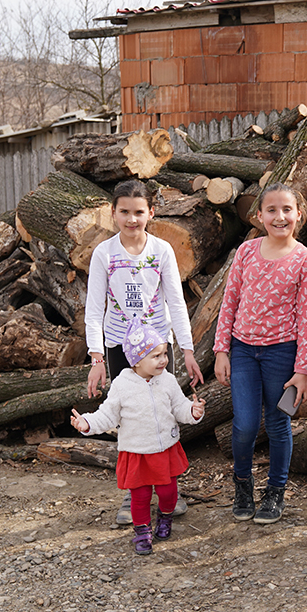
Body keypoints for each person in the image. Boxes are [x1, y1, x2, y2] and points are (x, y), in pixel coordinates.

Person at [85, 179, 203, 527]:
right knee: (129, 414)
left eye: (139, 212)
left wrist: (187, 349)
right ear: (113, 213)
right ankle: (133, 490)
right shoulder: (104, 254)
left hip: (157, 346)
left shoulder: (162, 251)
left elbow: (176, 302)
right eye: (124, 212)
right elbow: (94, 308)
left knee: (164, 411)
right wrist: (96, 358)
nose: (132, 219)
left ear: (151, 212)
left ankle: (168, 485)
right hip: (119, 345)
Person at [214, 183, 307, 525]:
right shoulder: (246, 252)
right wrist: (221, 350)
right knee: (245, 424)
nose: (279, 216)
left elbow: (306, 318)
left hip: (282, 353)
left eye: (287, 209)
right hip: (243, 350)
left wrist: (302, 370)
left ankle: (275, 491)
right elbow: (229, 301)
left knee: (277, 422)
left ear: (299, 215)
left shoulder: (305, 260)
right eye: (271, 210)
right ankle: (243, 484)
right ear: (259, 215)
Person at [70, 317, 206, 555]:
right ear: (137, 360)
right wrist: (87, 423)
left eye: (164, 353)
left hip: (165, 449)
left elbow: (179, 407)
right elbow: (107, 415)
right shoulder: (122, 385)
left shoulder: (168, 380)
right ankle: (142, 532)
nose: (163, 360)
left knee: (168, 493)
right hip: (137, 453)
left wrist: (193, 412)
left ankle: (165, 517)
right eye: (156, 356)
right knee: (140, 497)